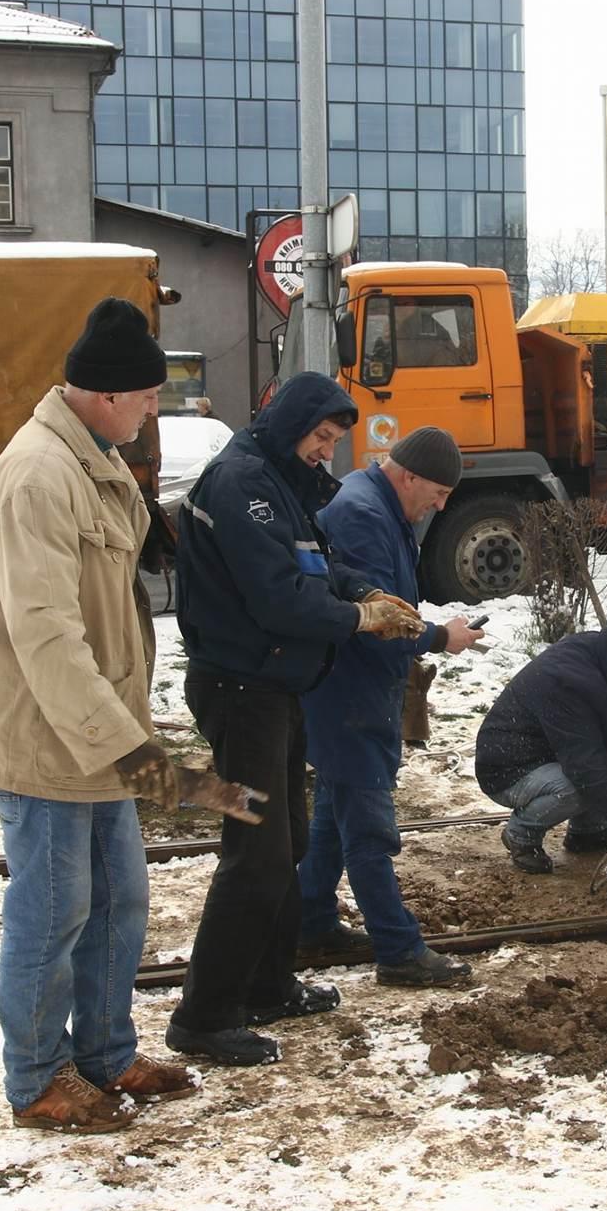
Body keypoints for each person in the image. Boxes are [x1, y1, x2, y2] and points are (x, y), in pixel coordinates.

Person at [0, 297, 222, 1134]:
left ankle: (104, 1053)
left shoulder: (87, 458)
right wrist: (136, 754)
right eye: (146, 397)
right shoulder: (39, 475)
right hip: (46, 738)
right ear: (104, 395)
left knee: (119, 900)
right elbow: (48, 637)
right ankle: (37, 1080)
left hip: (90, 735)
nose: (153, 411)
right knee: (54, 910)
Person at [167, 370, 427, 1067]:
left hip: (274, 687)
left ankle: (269, 981)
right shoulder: (243, 485)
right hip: (240, 690)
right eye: (320, 437)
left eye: (334, 442)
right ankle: (205, 1014)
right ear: (290, 425)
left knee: (289, 841)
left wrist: (363, 590)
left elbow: (319, 564)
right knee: (257, 853)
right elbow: (280, 598)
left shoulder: (278, 483)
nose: (326, 452)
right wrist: (358, 618)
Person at [297, 427, 485, 988]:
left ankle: (311, 921)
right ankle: (399, 950)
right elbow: (374, 619)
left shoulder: (372, 500)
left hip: (349, 690)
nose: (442, 504)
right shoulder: (364, 517)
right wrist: (435, 637)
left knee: (336, 809)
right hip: (351, 692)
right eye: (438, 492)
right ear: (407, 476)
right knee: (370, 829)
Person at [476, 626, 607, 873]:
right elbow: (584, 767)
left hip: (545, 752)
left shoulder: (602, 656)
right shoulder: (568, 681)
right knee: (578, 786)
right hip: (508, 769)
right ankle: (521, 835)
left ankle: (588, 832)